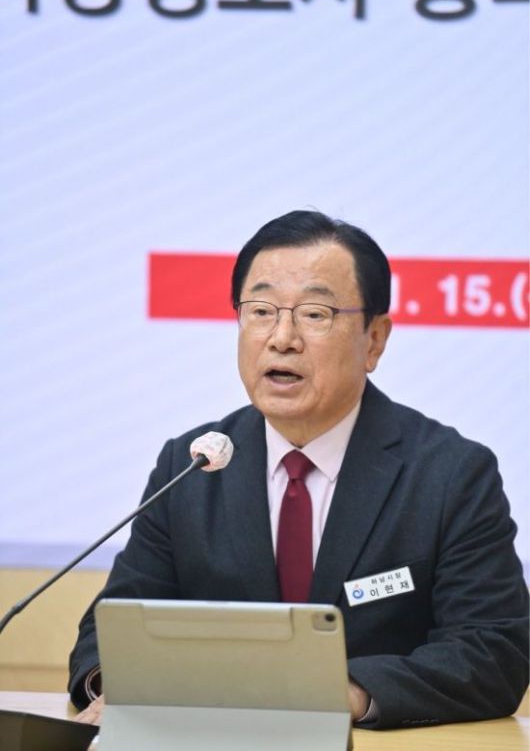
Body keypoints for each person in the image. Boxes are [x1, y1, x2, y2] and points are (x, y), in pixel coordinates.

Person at [69, 210, 529, 730]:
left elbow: (494, 651)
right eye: (261, 311)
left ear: (375, 340)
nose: (281, 337)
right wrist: (120, 686)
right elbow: (108, 634)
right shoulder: (192, 466)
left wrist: (341, 694)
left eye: (314, 313)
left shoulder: (450, 475)